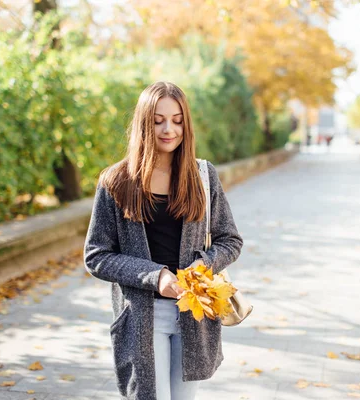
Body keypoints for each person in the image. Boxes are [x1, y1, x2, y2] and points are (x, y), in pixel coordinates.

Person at [83, 81, 244, 400]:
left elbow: (230, 240)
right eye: (158, 120)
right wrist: (155, 278)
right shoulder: (116, 181)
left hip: (194, 316)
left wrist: (203, 264)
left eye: (177, 119)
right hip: (143, 317)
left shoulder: (202, 176)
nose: (169, 129)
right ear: (144, 123)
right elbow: (96, 255)